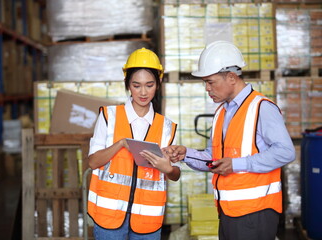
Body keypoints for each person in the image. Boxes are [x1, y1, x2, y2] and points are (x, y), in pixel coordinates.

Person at [163, 41, 296, 240]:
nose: (207, 88)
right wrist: (186, 154)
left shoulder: (261, 108)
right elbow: (214, 158)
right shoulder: (222, 112)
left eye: (211, 81)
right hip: (228, 212)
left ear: (232, 77)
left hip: (255, 212)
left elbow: (286, 151)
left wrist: (236, 165)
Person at [87, 47, 180, 240]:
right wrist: (120, 143)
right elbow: (93, 162)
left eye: (149, 85)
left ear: (159, 83)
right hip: (109, 216)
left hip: (148, 220)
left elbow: (176, 174)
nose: (143, 92)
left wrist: (168, 169)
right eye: (136, 85)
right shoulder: (108, 116)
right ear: (128, 84)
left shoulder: (166, 127)